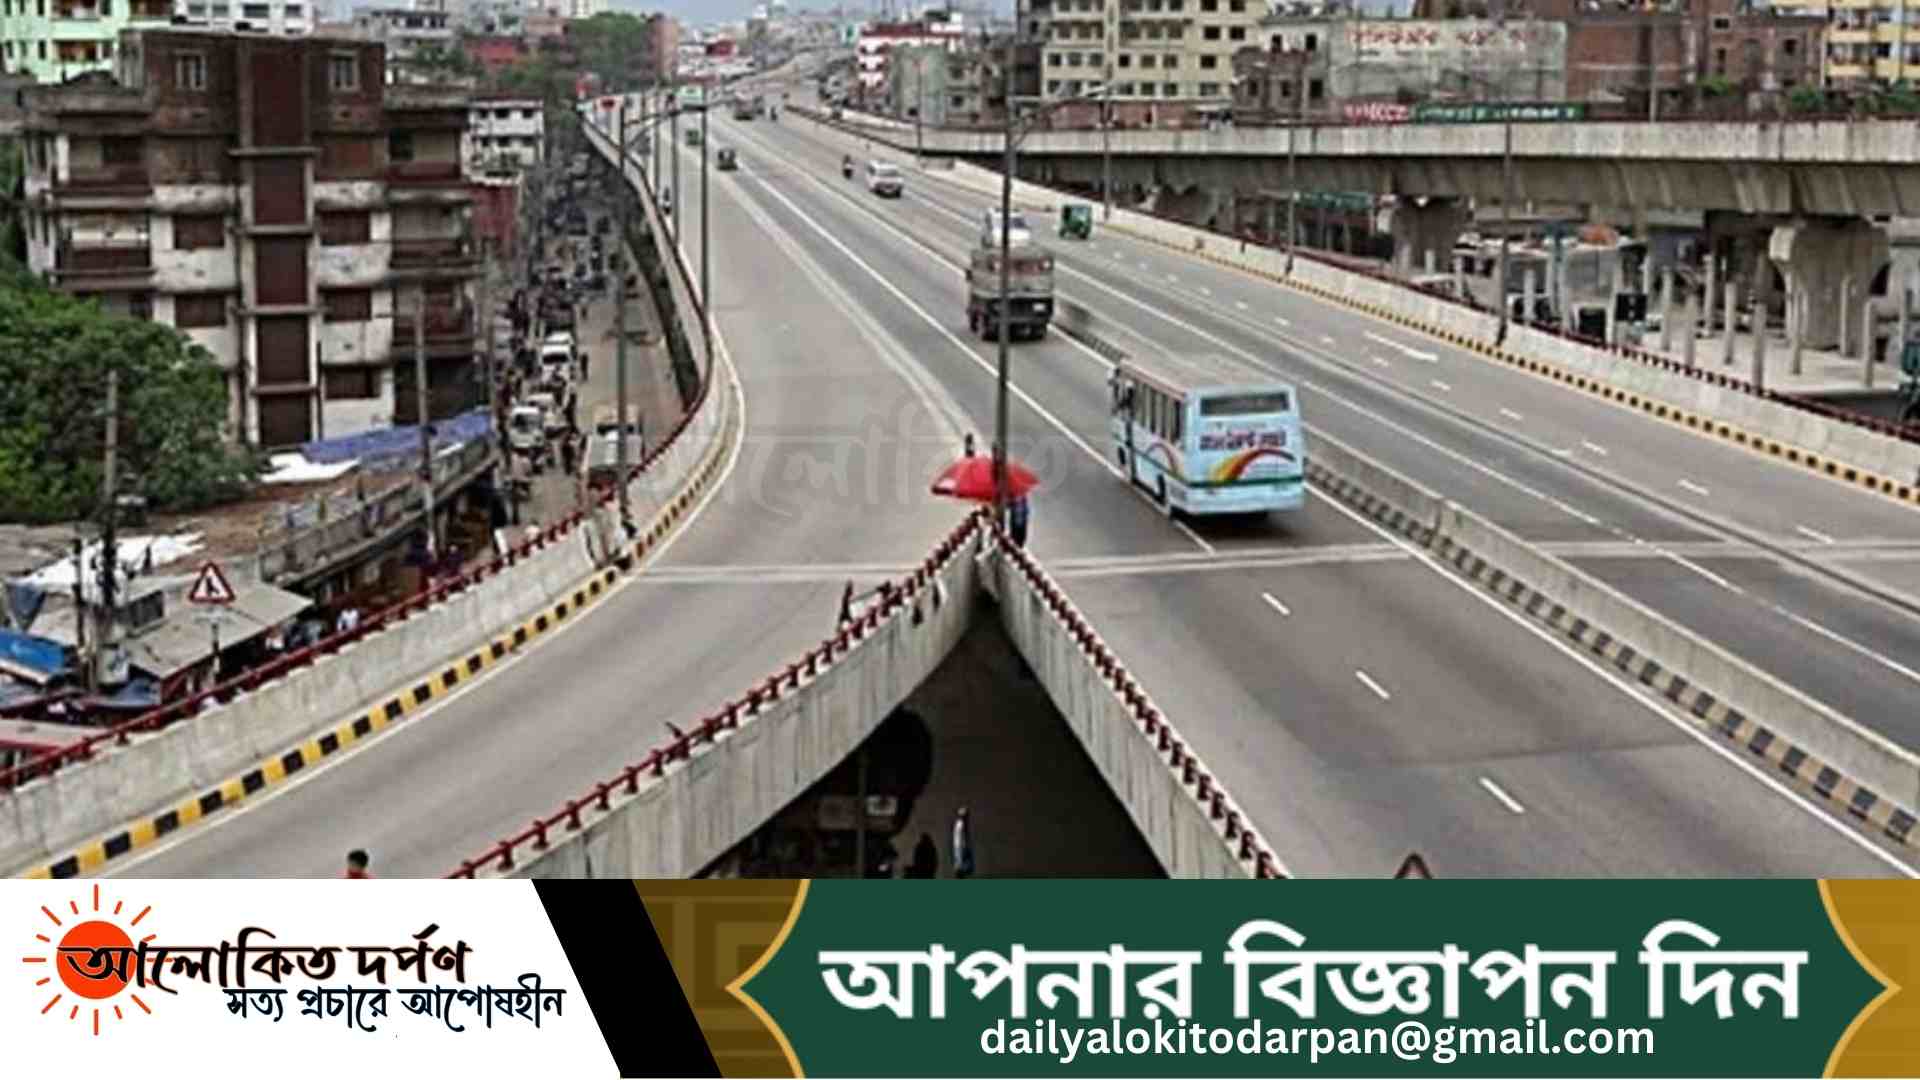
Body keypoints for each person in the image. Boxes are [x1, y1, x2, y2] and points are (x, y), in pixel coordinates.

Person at [951, 807, 974, 879]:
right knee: (962, 870)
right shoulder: (960, 824)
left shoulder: (961, 824)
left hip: (961, 851)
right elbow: (959, 841)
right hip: (961, 851)